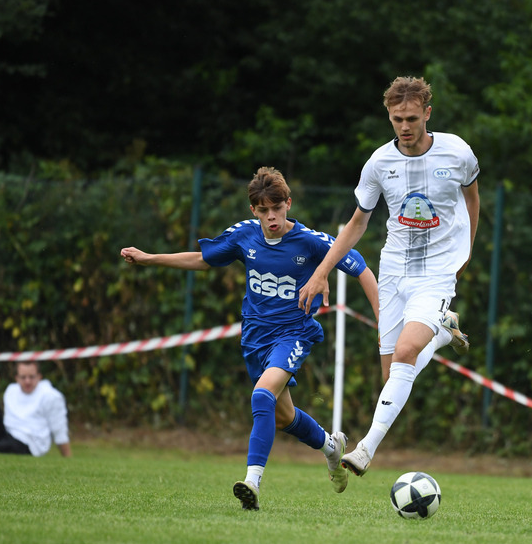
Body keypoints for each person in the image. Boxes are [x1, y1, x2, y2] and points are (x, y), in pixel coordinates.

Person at [120, 166, 379, 511]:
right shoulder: (244, 236)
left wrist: (383, 322)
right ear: (253, 210)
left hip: (294, 333)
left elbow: (361, 268)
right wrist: (150, 259)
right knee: (283, 417)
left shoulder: (310, 242)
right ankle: (332, 448)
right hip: (255, 338)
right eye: (263, 210)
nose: (271, 217)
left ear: (289, 203)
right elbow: (202, 259)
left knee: (261, 395)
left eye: (277, 208)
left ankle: (252, 482)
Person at [298, 75, 480, 477]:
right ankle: (444, 333)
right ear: (389, 116)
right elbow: (357, 222)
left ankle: (365, 449)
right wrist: (321, 272)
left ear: (427, 114)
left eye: (412, 117)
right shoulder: (379, 163)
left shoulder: (458, 153)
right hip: (394, 270)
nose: (405, 126)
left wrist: (465, 251)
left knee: (404, 354)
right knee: (393, 376)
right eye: (397, 118)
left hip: (437, 271)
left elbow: (472, 197)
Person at [0, 360, 72, 457]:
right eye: (23, 377)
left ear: (39, 377)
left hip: (29, 444)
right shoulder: (11, 390)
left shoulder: (51, 396)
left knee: (3, 447)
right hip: (6, 434)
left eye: (31, 377)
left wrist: (67, 457)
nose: (27, 381)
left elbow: (59, 430)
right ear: (16, 378)